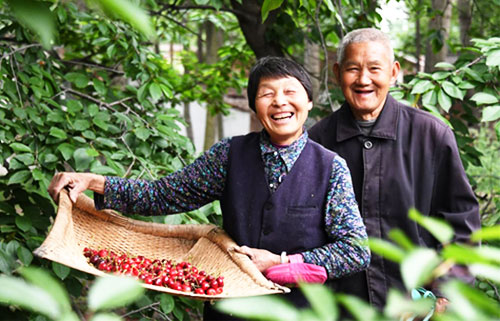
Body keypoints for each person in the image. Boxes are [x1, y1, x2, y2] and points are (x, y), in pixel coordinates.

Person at [48, 57, 371, 320]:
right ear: (254, 106)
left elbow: (355, 250)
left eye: (290, 92)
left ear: (309, 101)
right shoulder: (230, 155)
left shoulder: (330, 168)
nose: (280, 102)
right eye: (267, 93)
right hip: (229, 311)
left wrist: (282, 261)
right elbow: (164, 194)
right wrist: (95, 182)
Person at [309, 28, 480, 313]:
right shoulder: (317, 142)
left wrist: (447, 292)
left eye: (375, 68)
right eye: (353, 69)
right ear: (338, 73)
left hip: (416, 307)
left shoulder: (431, 135)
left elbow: (461, 223)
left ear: (393, 72)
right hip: (341, 309)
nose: (364, 79)